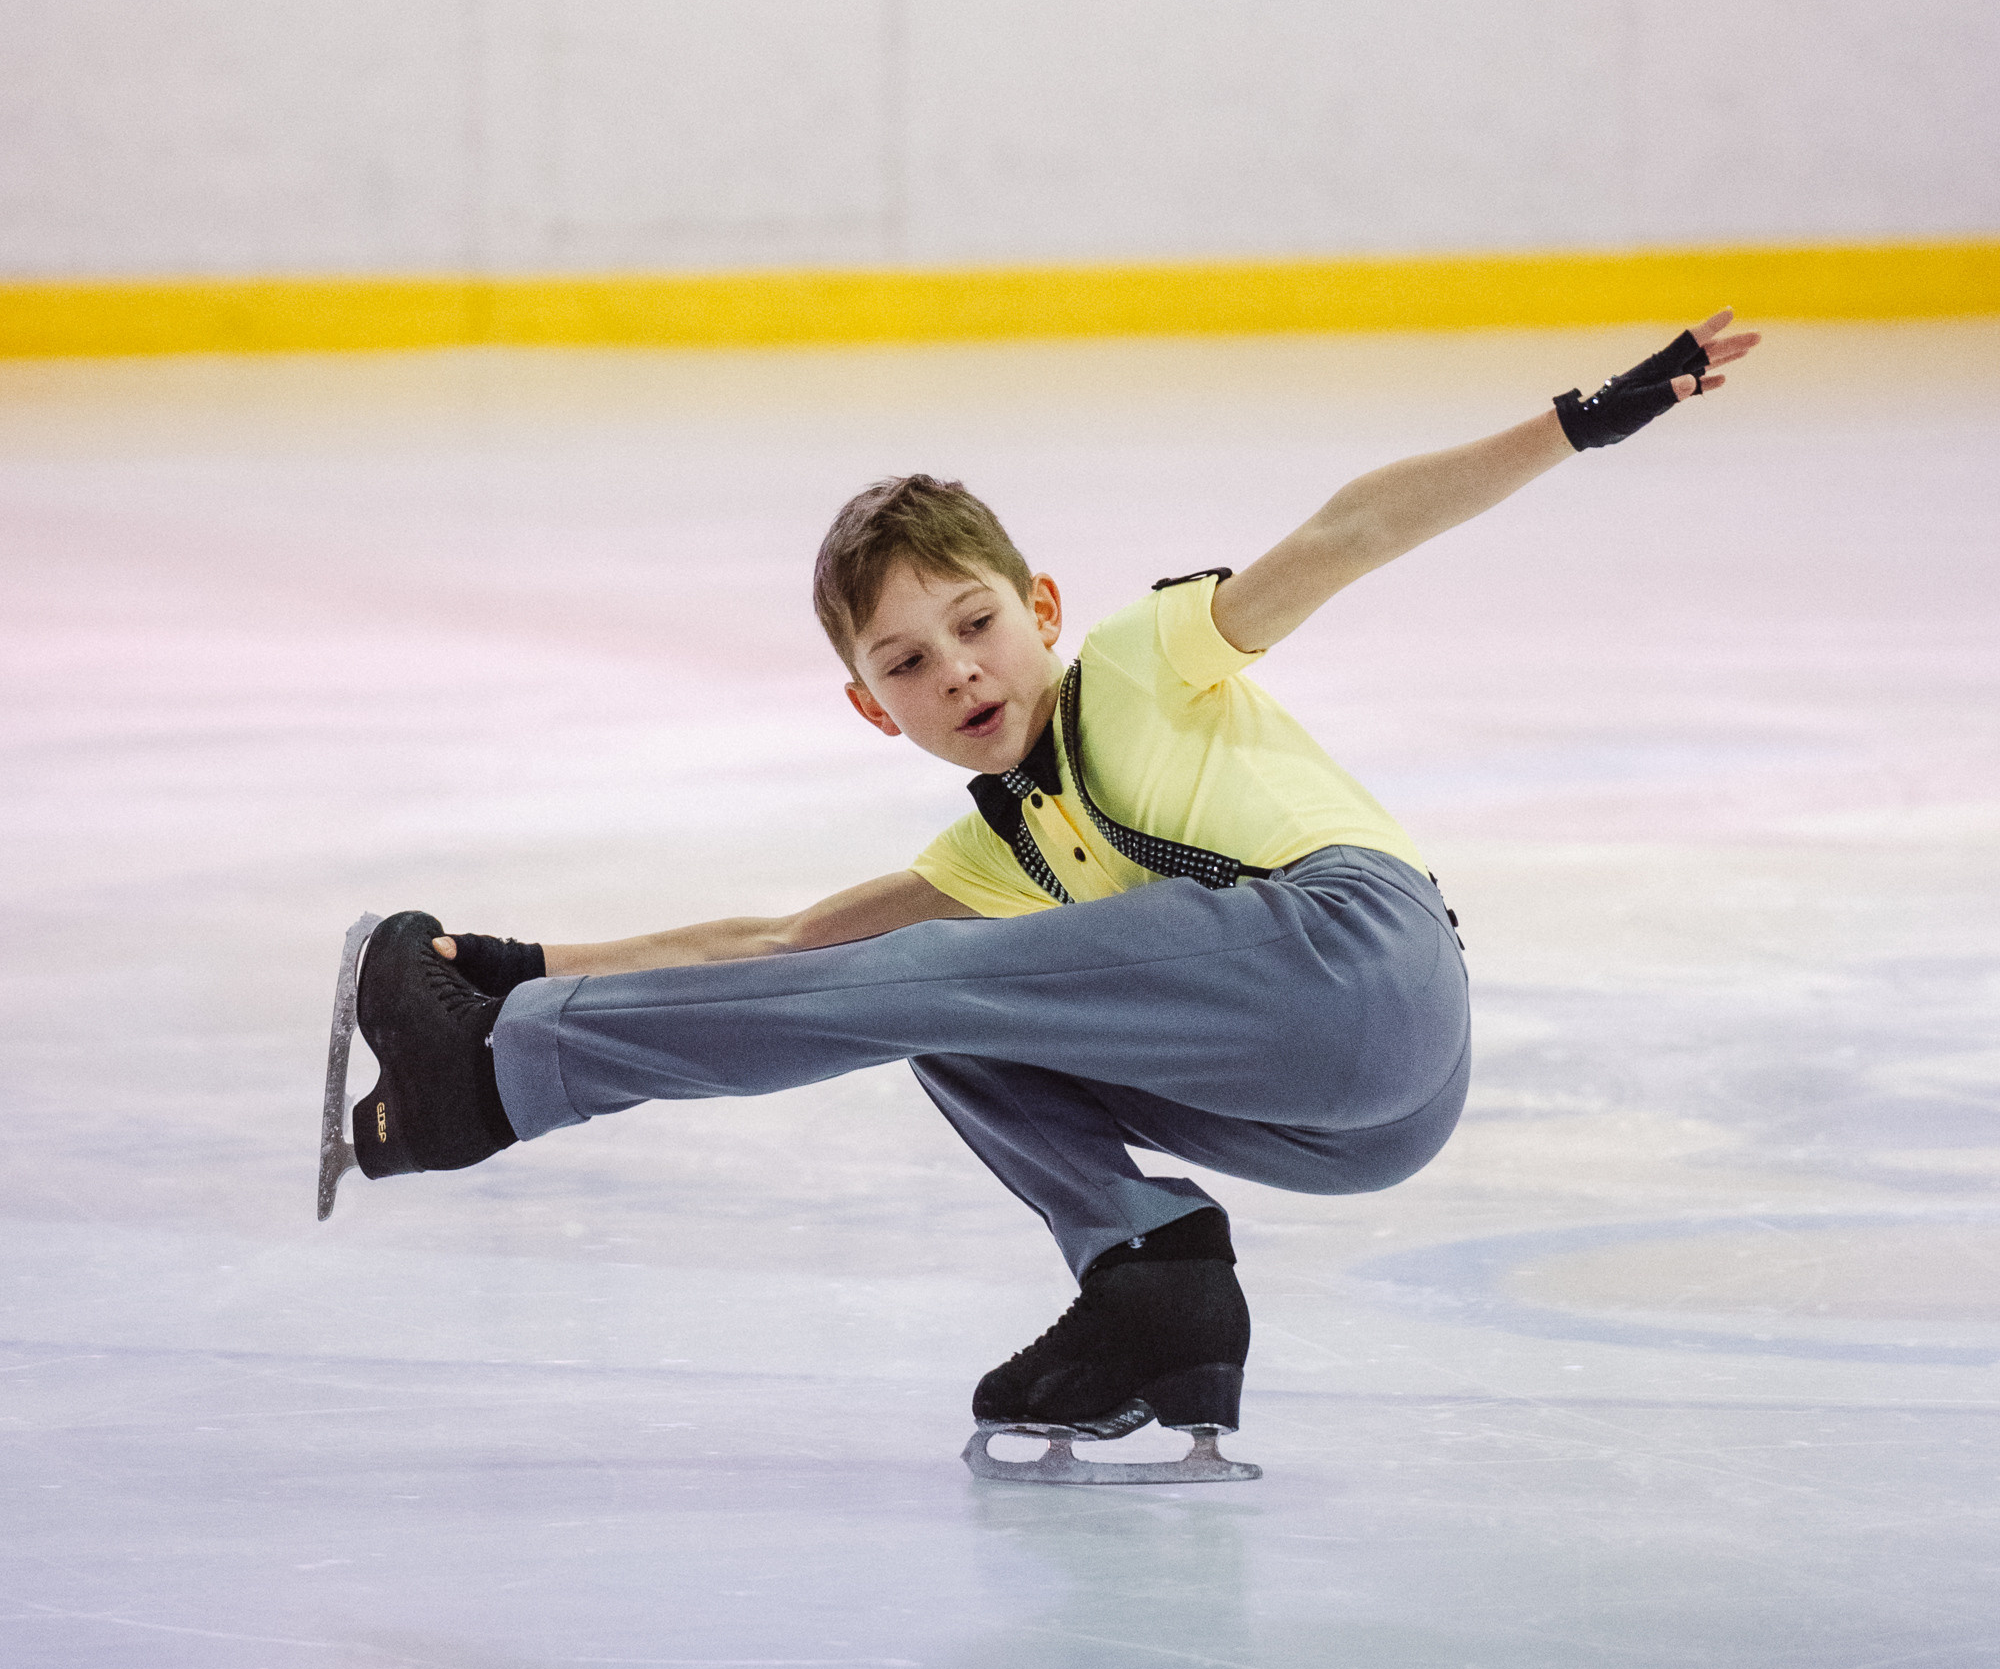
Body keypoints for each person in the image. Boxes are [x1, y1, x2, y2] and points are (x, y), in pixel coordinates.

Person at [334, 311, 1759, 1471]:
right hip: (1360, 1120)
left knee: (919, 989)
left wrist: (1584, 420)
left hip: (1359, 959)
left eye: (976, 625)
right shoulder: (988, 861)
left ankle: (499, 1086)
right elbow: (780, 944)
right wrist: (519, 958)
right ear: (868, 709)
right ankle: (1155, 1277)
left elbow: (1347, 536)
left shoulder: (1147, 662)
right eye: (905, 663)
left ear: (1046, 612)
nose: (956, 670)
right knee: (940, 1014)